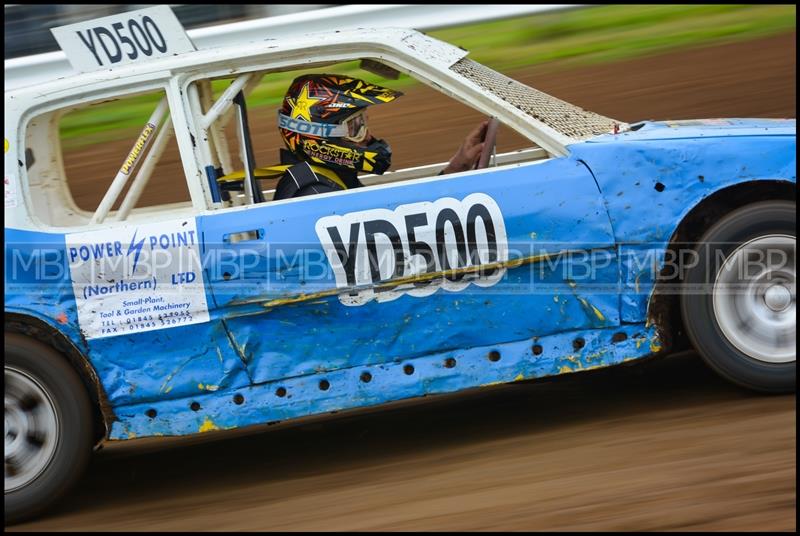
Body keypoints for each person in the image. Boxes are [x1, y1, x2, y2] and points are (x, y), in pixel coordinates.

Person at [272, 74, 489, 200]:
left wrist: (456, 168)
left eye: (364, 124)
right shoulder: (315, 194)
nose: (369, 137)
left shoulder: (324, 180)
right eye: (356, 127)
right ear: (320, 136)